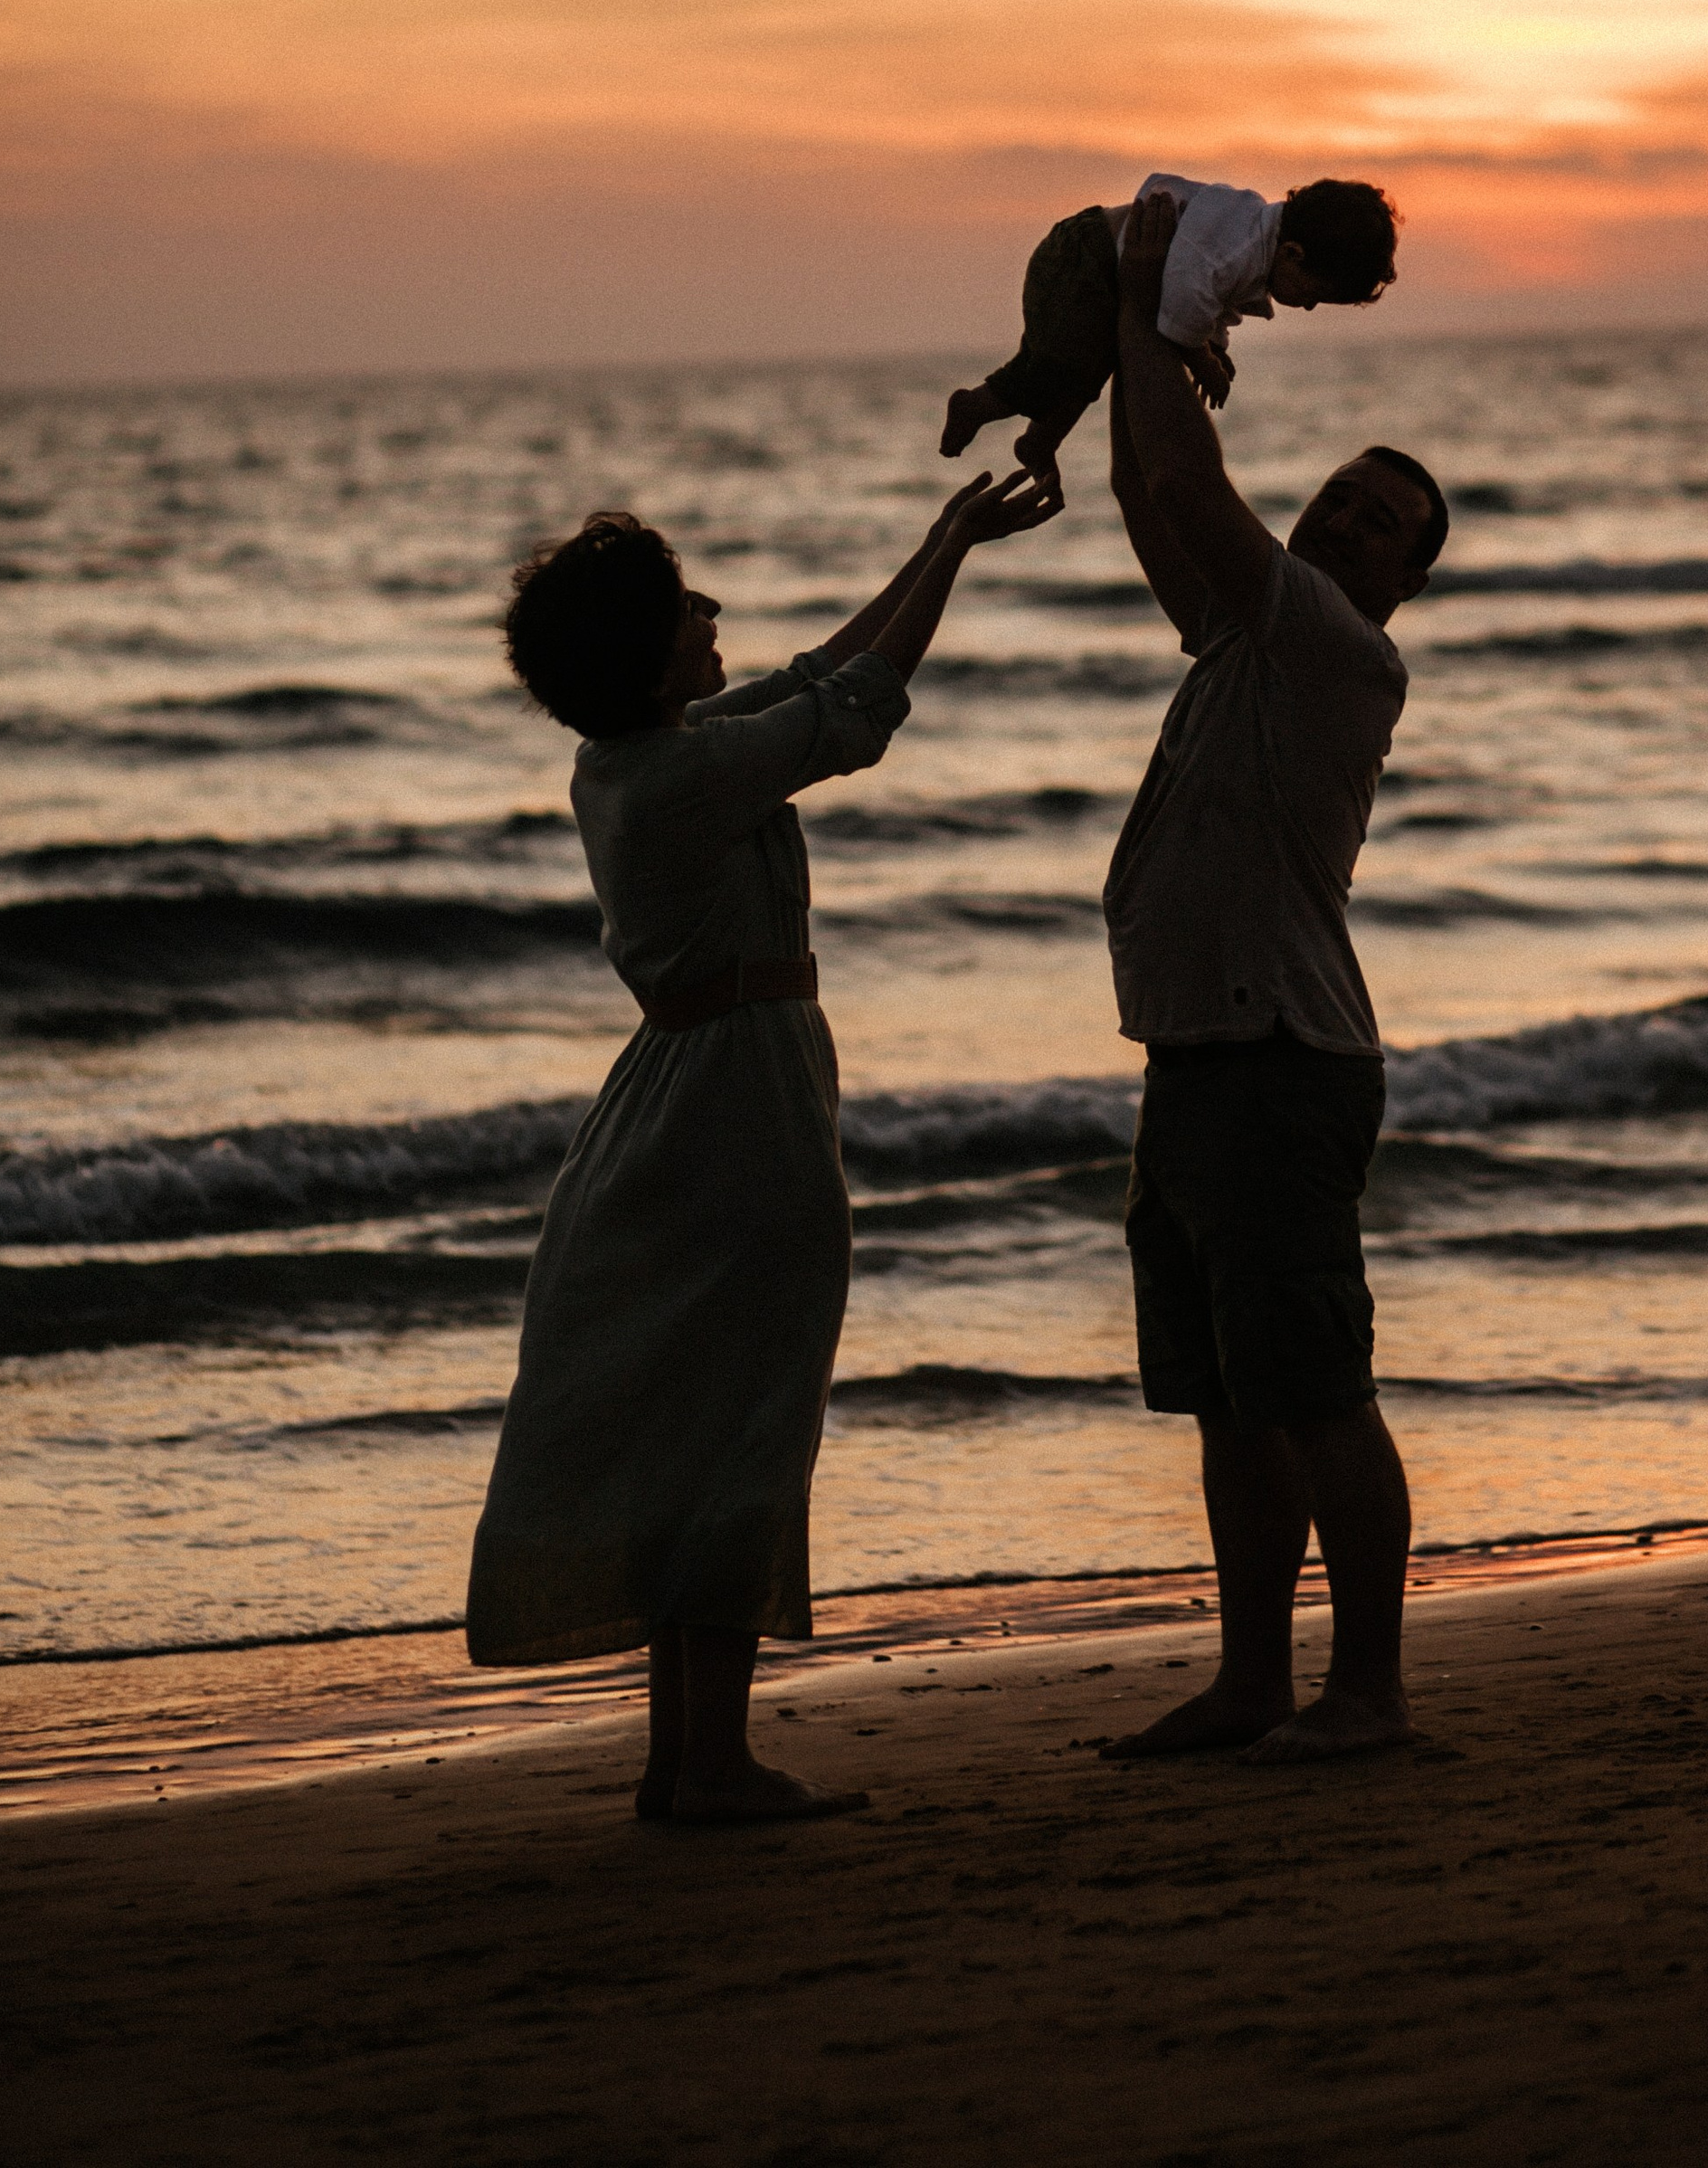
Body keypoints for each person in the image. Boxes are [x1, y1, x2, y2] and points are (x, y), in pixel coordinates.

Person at [466, 465, 1058, 1826]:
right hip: (737, 1107)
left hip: (686, 1095)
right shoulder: (676, 776)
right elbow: (852, 711)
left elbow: (814, 673)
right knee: (745, 1417)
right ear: (644, 651)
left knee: (702, 1417)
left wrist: (940, 537)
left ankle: (686, 1761)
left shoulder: (633, 760)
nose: (709, 615)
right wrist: (954, 554)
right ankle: (711, 1763)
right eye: (684, 609)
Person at [1096, 189, 1447, 1764]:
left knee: (1314, 1393)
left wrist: (1145, 296)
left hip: (1283, 1060)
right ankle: (1251, 1684)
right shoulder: (1246, 638)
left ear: (1397, 583)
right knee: (1231, 1405)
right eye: (1342, 499)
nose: (1345, 521)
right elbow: (1145, 485)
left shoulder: (1330, 645)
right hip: (1198, 1055)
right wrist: (1132, 348)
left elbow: (1185, 469)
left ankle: (1362, 1693)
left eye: (1384, 525)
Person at [940, 171, 1400, 480]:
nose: (1311, 308)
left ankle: (1040, 441)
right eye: (1316, 295)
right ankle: (976, 405)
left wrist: (1213, 347)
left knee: (1089, 371)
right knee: (1058, 366)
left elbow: (1212, 306)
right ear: (1294, 254)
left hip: (1102, 268)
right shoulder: (1236, 245)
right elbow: (1184, 301)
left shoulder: (1253, 250)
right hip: (1084, 257)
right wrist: (1201, 359)